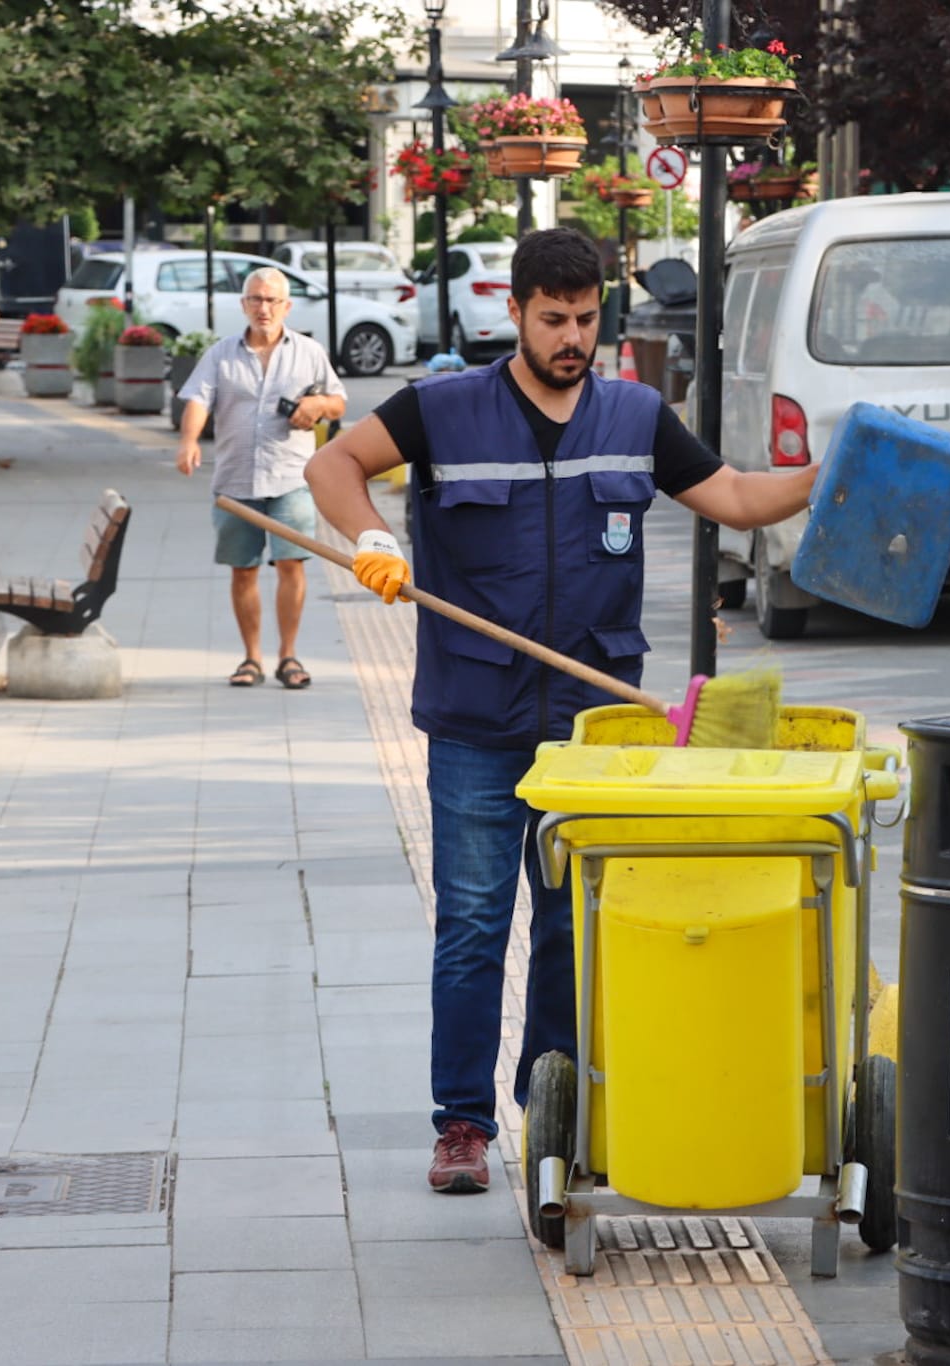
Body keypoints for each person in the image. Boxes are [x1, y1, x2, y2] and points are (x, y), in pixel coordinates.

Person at [306, 228, 818, 1194]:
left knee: (569, 925)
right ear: (519, 313)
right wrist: (375, 537)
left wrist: (831, 475)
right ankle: (461, 1125)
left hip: (589, 731)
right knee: (470, 925)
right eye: (554, 320)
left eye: (587, 319)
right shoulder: (444, 409)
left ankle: (556, 1109)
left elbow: (742, 498)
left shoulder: (634, 415)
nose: (573, 337)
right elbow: (335, 467)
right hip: (474, 719)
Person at [176, 266, 346, 690]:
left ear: (286, 306)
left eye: (272, 300)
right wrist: (189, 440)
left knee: (291, 564)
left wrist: (318, 404)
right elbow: (198, 398)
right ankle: (251, 658)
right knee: (243, 569)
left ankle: (288, 655)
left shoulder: (307, 351)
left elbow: (339, 401)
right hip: (235, 481)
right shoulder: (221, 354)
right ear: (243, 305)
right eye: (255, 299)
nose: (263, 308)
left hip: (291, 477)